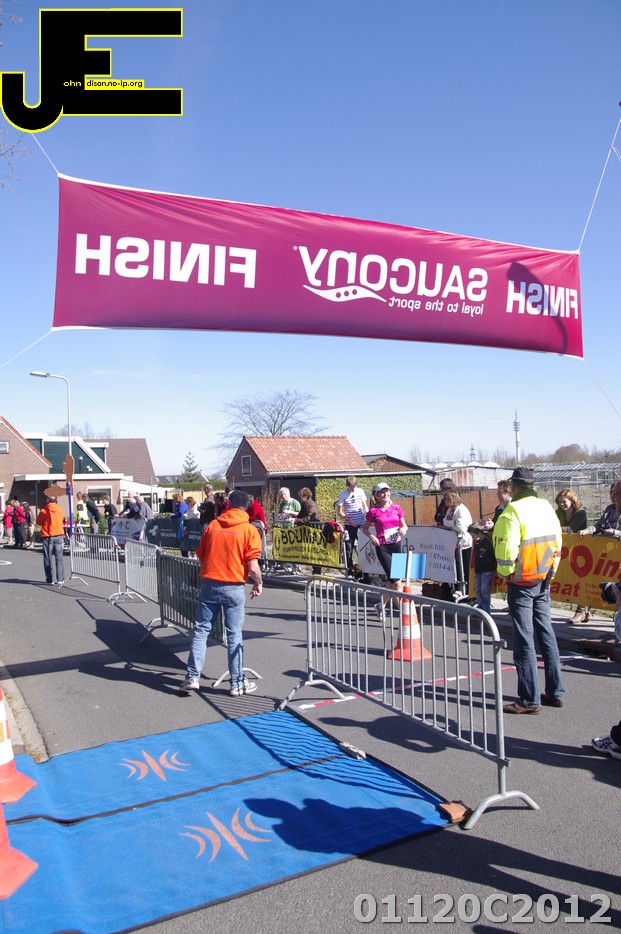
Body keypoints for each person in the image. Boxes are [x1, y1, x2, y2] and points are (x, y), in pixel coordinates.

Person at [493, 466, 564, 714]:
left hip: (522, 581)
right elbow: (558, 541)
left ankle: (529, 699)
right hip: (543, 577)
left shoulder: (513, 511)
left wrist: (506, 574)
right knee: (546, 633)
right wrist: (551, 571)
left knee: (524, 640)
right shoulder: (545, 507)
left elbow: (505, 551)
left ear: (513, 486)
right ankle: (555, 692)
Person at [179, 489, 262, 697]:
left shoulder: (213, 526)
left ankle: (192, 676)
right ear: (246, 507)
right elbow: (253, 566)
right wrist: (258, 583)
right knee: (234, 635)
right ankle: (237, 683)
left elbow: (201, 554)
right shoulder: (249, 530)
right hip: (234, 586)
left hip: (210, 583)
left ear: (228, 505)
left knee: (201, 631)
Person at [362, 482, 408, 619]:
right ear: (377, 496)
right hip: (383, 548)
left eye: (387, 491)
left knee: (391, 581)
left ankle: (380, 605)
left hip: (397, 545)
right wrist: (372, 537)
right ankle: (404, 616)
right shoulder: (373, 512)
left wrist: (403, 530)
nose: (385, 494)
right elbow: (364, 528)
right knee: (397, 583)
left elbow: (404, 526)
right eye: (382, 492)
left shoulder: (396, 508)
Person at [555, 488, 589, 624]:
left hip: (581, 551)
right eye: (559, 502)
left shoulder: (581, 513)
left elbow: (571, 529)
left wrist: (554, 529)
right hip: (564, 550)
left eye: (564, 501)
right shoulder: (559, 513)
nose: (562, 504)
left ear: (572, 501)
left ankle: (582, 609)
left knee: (581, 579)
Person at [442, 490, 473, 595]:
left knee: (465, 568)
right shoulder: (450, 510)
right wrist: (453, 522)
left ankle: (468, 591)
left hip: (464, 543)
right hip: (454, 542)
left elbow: (461, 527)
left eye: (446, 499)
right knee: (457, 568)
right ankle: (459, 589)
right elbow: (445, 521)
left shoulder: (461, 510)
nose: (444, 502)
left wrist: (451, 523)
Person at [337, 476, 369, 575]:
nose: (353, 489)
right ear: (347, 486)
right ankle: (350, 571)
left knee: (363, 547)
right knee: (349, 549)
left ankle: (365, 570)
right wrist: (350, 520)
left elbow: (365, 506)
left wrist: (367, 514)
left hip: (361, 524)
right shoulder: (343, 495)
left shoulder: (360, 492)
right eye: (351, 487)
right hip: (349, 526)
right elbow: (339, 512)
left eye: (354, 486)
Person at [36, 495, 66, 584]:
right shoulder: (60, 510)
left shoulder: (44, 511)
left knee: (48, 558)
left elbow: (38, 522)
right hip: (58, 535)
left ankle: (50, 579)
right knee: (59, 558)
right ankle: (60, 579)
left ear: (47, 500)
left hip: (48, 536)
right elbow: (62, 520)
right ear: (56, 500)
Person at [468, 522, 496, 614]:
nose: (472, 538)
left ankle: (486, 609)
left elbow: (493, 554)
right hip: (478, 569)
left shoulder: (487, 542)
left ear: (479, 533)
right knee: (478, 590)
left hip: (486, 569)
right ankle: (480, 607)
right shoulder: (476, 542)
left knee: (484, 590)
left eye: (473, 536)